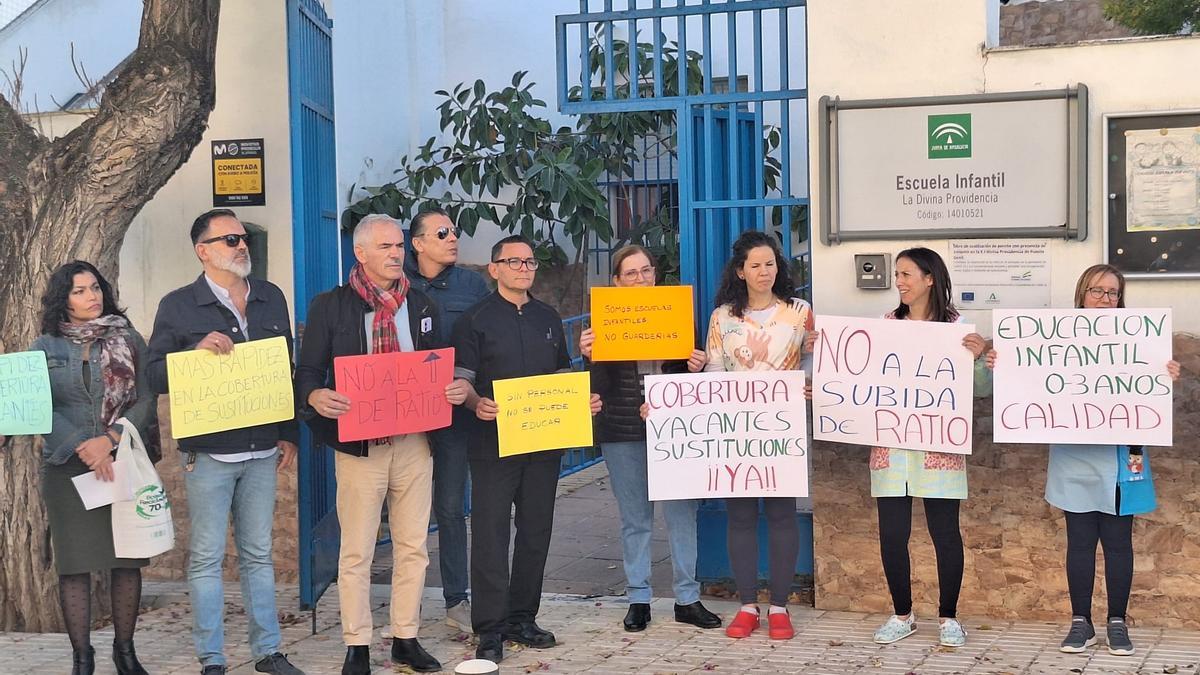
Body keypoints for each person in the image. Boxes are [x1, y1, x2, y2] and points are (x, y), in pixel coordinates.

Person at [987, 263, 1182, 656]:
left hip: (1121, 458)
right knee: (1079, 542)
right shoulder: (1055, 339)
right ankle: (1081, 622)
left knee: (1118, 542)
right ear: (1082, 294)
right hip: (1073, 455)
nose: (1105, 299)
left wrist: (1165, 375)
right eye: (1097, 291)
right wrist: (1001, 365)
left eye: (1112, 293)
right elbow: (1028, 382)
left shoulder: (1139, 341)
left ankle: (1117, 622)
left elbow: (1148, 394)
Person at [146, 209, 303, 675]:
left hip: (262, 449)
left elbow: (285, 369)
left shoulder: (271, 297)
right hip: (209, 453)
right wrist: (192, 354)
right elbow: (153, 375)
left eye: (243, 237)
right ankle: (212, 659)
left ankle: (268, 652)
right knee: (207, 558)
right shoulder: (178, 305)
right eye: (230, 239)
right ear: (203, 250)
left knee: (258, 555)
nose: (241, 245)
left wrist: (288, 432)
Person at [295, 213, 450, 674]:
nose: (396, 254)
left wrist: (450, 386)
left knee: (413, 546)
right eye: (385, 247)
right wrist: (314, 395)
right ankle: (357, 644)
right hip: (360, 446)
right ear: (360, 253)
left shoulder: (421, 305)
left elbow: (438, 363)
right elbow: (308, 371)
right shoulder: (331, 306)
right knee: (358, 549)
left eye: (399, 245)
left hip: (415, 442)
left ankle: (406, 637)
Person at [450, 235, 602, 663]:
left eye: (530, 262)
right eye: (513, 261)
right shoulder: (475, 320)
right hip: (493, 443)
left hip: (544, 442)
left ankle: (522, 618)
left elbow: (561, 373)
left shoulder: (547, 317)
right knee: (491, 534)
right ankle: (490, 628)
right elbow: (461, 382)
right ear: (494, 269)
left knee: (536, 531)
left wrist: (580, 399)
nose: (523, 268)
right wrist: (476, 403)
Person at [580, 245, 722, 633]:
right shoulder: (601, 323)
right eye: (631, 273)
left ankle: (687, 599)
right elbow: (596, 390)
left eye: (646, 270)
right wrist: (590, 357)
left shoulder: (677, 315)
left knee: (681, 514)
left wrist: (696, 366)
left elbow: (692, 383)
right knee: (635, 518)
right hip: (622, 431)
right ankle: (638, 599)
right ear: (616, 282)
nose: (640, 278)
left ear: (655, 275)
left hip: (674, 430)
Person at [28, 261, 158, 675]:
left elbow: (147, 398)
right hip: (67, 467)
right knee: (75, 565)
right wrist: (82, 446)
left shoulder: (128, 338)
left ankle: (125, 652)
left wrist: (111, 440)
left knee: (126, 561)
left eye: (95, 288)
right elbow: (39, 407)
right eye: (80, 291)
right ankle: (82, 659)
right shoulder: (44, 347)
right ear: (63, 300)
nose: (92, 296)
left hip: (122, 462)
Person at [865, 247, 989, 649]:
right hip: (891, 448)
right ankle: (902, 614)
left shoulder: (957, 329)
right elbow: (861, 379)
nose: (899, 282)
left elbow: (980, 390)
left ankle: (949, 617)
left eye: (906, 274)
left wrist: (979, 359)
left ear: (929, 278)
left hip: (939, 449)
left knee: (945, 533)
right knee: (892, 535)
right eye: (897, 275)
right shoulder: (884, 327)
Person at [701, 231, 813, 641]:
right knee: (741, 516)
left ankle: (780, 607)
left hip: (784, 430)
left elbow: (812, 358)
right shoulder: (722, 318)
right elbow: (714, 368)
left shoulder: (800, 312)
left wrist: (809, 382)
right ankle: (747, 605)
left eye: (770, 263)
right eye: (755, 265)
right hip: (738, 430)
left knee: (783, 514)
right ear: (740, 271)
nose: (765, 271)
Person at [403, 206, 491, 632]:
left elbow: (486, 342)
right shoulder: (395, 282)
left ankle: (457, 599)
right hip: (401, 417)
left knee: (452, 507)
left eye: (454, 232)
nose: (453, 238)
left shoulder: (472, 285)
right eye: (442, 233)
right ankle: (405, 602)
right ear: (418, 243)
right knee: (405, 510)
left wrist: (471, 388)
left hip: (455, 414)